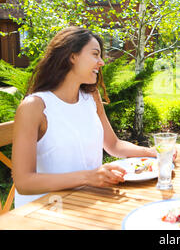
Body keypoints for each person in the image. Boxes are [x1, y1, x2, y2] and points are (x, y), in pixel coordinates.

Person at [12, 26, 157, 208]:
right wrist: (89, 177)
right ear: (72, 57)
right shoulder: (34, 107)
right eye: (95, 54)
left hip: (87, 202)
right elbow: (24, 182)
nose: (102, 62)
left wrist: (152, 152)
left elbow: (113, 145)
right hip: (45, 212)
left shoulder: (91, 97)